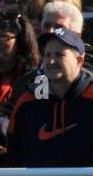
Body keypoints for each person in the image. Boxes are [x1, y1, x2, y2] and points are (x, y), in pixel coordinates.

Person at [8, 28, 93, 166]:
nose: (51, 61)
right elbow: (13, 154)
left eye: (59, 55)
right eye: (47, 55)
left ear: (79, 61)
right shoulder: (28, 102)